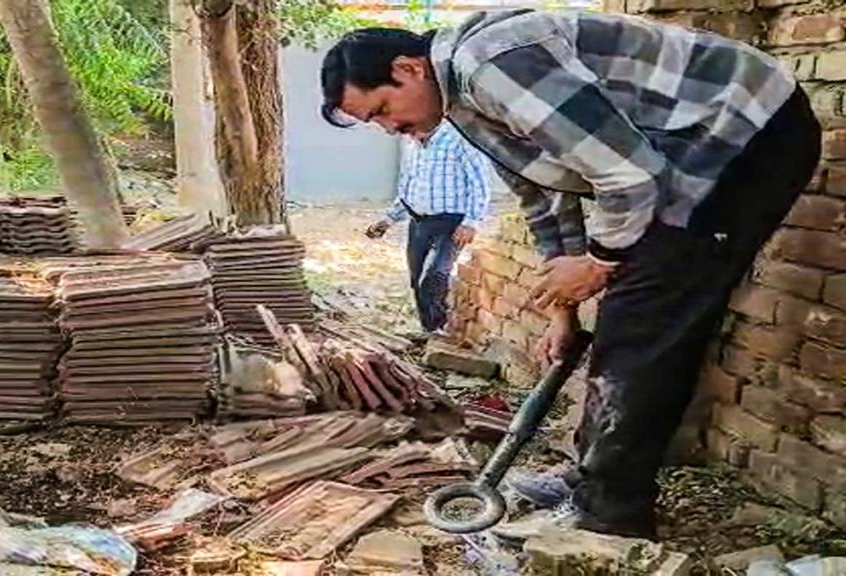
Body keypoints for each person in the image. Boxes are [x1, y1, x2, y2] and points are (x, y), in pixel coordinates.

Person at [319, 10, 820, 538]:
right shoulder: (464, 99)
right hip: (679, 150)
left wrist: (600, 262)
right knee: (635, 310)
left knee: (646, 311)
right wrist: (564, 310)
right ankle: (595, 479)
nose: (390, 128)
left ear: (409, 68)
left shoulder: (493, 65)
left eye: (382, 110)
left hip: (745, 132)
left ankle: (609, 511)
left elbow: (629, 173)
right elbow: (545, 195)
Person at [365, 119, 491, 335]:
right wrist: (388, 220)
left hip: (451, 223)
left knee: (433, 276)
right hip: (419, 222)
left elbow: (479, 185)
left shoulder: (460, 139)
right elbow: (408, 187)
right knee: (416, 280)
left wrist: (471, 222)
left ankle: (438, 328)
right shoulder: (411, 144)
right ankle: (429, 330)